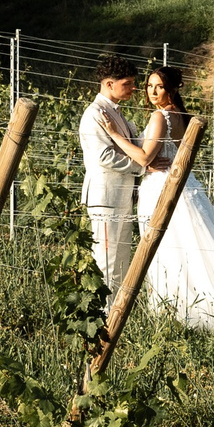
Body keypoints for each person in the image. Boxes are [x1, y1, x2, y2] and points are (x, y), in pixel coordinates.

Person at [126, 64, 214, 329]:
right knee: (188, 246)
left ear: (172, 89)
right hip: (182, 185)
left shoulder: (160, 116)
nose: (153, 91)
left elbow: (143, 157)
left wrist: (116, 135)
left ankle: (180, 312)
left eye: (159, 86)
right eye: (149, 85)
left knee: (168, 249)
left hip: (160, 188)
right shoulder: (181, 116)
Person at [79, 57, 144, 289]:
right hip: (105, 198)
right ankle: (105, 317)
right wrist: (141, 166)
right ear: (108, 84)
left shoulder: (115, 112)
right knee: (106, 260)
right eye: (127, 83)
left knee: (121, 259)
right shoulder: (94, 113)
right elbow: (103, 156)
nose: (133, 88)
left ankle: (116, 314)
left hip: (122, 196)